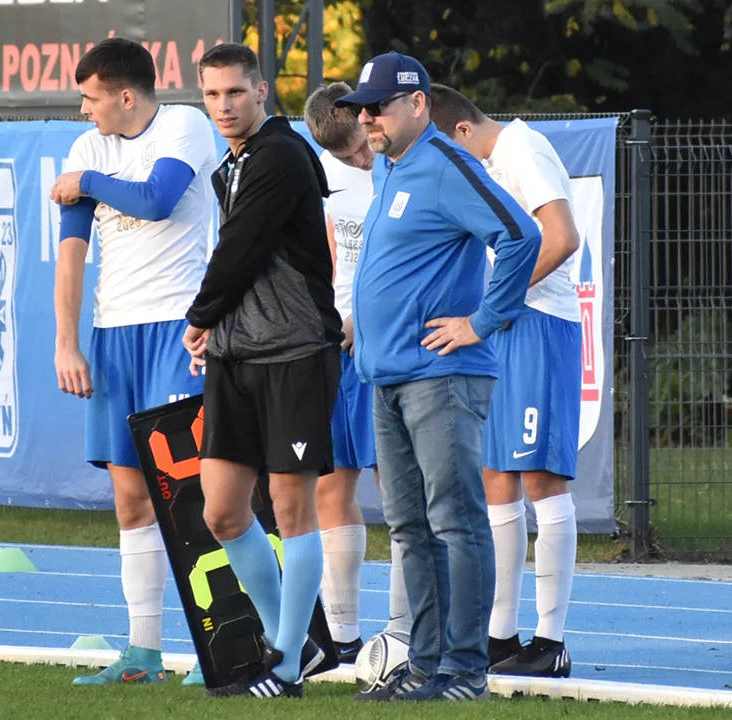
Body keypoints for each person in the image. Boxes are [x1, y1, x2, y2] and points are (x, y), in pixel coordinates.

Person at [333, 52, 541, 702]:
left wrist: (482, 321)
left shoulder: (445, 163)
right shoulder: (392, 167)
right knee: (409, 527)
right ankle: (423, 666)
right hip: (389, 376)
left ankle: (464, 671)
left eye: (378, 107)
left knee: (454, 520)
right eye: (361, 109)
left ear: (418, 104)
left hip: (441, 375)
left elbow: (521, 235)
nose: (367, 118)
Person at [50, 36, 216, 687]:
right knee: (130, 499)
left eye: (91, 98)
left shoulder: (183, 124)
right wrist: (68, 342)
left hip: (180, 329)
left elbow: (157, 200)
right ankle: (142, 653)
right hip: (114, 335)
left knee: (197, 494)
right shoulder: (86, 145)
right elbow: (71, 255)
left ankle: (223, 643)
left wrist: (88, 183)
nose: (84, 109)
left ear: (126, 95)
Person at [182, 43, 343, 700]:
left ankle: (283, 663)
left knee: (290, 508)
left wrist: (200, 315)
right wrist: (216, 331)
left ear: (262, 93)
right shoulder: (235, 162)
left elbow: (241, 249)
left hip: (295, 353)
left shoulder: (279, 154)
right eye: (212, 94)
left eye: (234, 93)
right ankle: (296, 639)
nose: (223, 105)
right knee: (222, 512)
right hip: (235, 357)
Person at [429, 85, 583, 678]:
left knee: (541, 478)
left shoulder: (522, 147)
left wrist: (491, 308)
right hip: (503, 329)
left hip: (540, 326)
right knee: (496, 478)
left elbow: (563, 237)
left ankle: (552, 641)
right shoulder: (493, 159)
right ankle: (500, 636)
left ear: (460, 133)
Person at [303, 81, 414, 659]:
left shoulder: (410, 159)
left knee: (399, 489)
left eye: (362, 147)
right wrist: (335, 318)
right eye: (347, 156)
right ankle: (344, 637)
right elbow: (326, 257)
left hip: (396, 342)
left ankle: (403, 629)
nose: (360, 159)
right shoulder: (319, 174)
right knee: (332, 483)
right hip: (339, 347)